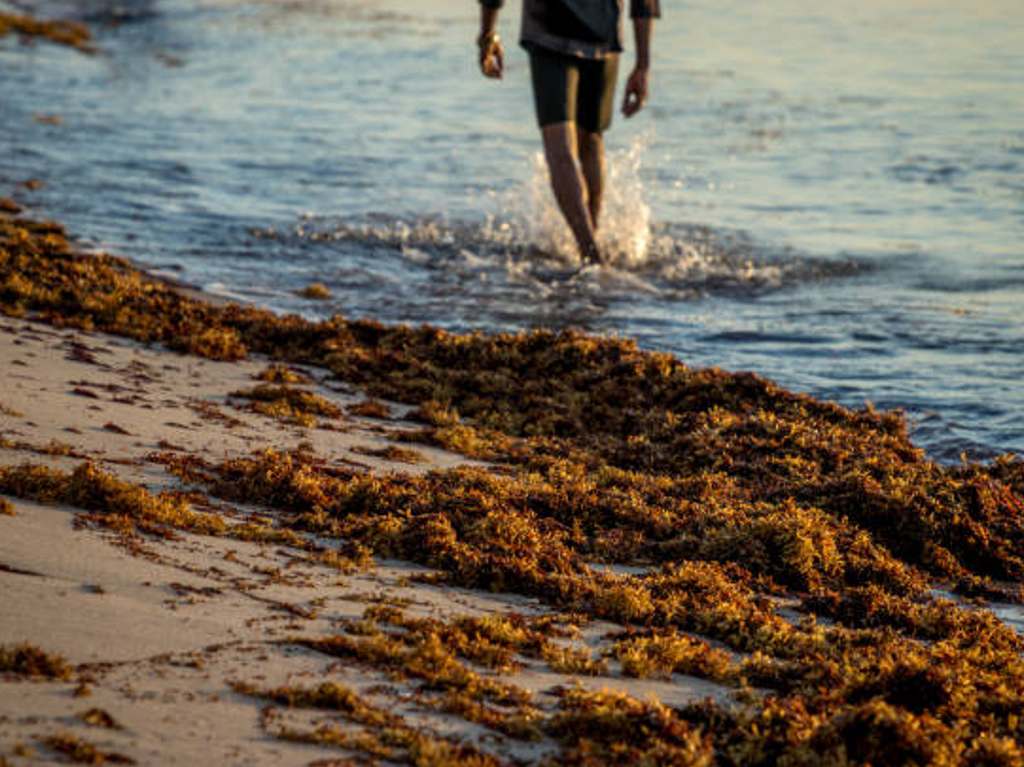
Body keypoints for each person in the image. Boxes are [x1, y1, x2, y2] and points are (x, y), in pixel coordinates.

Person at [477, 0, 660, 265]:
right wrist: (643, 64)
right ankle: (591, 248)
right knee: (591, 142)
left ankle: (589, 253)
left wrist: (487, 32)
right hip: (603, 35)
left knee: (561, 148)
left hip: (550, 30)